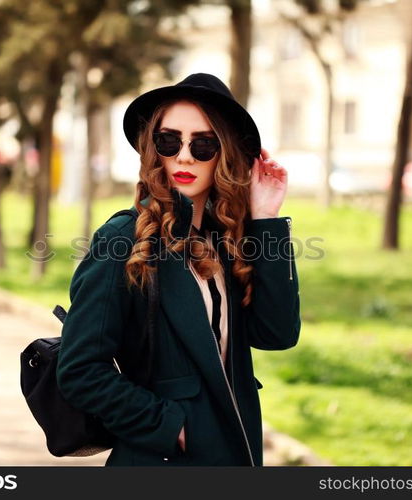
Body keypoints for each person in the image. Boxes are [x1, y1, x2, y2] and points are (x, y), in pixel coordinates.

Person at [56, 73, 301, 466]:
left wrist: (267, 220)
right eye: (169, 141)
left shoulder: (229, 240)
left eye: (203, 144)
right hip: (162, 461)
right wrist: (173, 427)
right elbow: (80, 369)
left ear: (226, 154)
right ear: (154, 149)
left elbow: (277, 334)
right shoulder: (122, 239)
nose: (184, 156)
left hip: (234, 454)